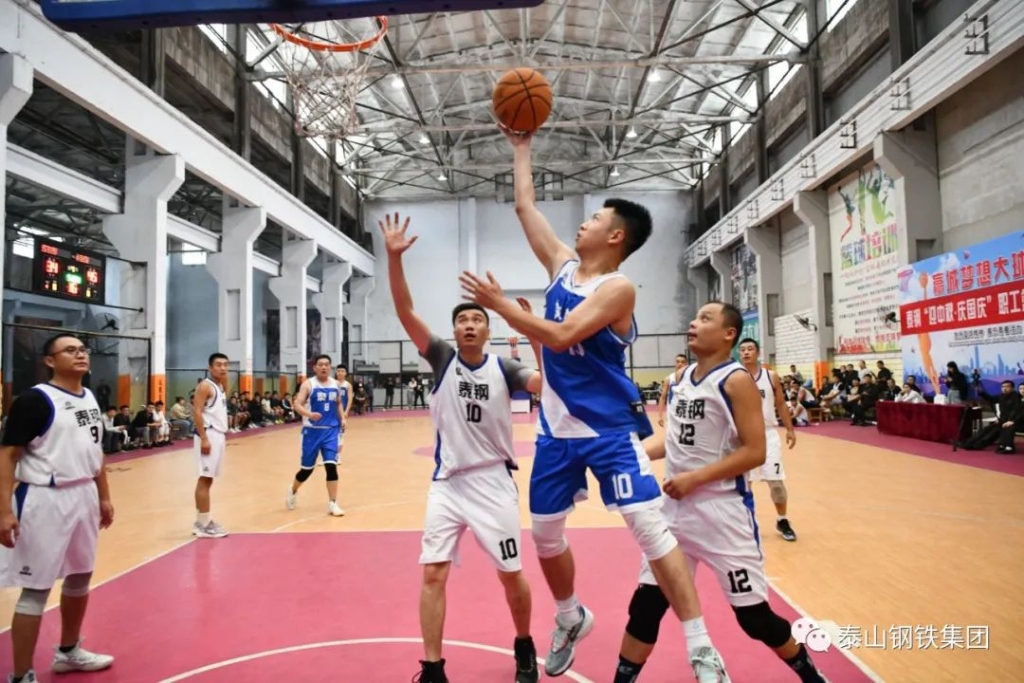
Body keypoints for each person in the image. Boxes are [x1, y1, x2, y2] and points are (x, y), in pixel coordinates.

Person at [458, 128, 729, 681]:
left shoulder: (617, 288)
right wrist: (521, 147)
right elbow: (525, 207)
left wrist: (503, 307)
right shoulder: (562, 266)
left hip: (608, 429)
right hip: (556, 433)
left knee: (651, 530)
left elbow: (561, 336)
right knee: (544, 536)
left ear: (616, 236)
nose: (582, 224)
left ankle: (701, 645)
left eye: (595, 219)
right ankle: (570, 616)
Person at [613, 303, 830, 683]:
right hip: (674, 513)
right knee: (646, 606)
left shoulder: (736, 381)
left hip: (722, 512)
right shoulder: (681, 378)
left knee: (755, 619)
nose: (693, 323)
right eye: (695, 317)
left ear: (729, 334)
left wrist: (695, 479)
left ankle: (812, 675)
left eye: (705, 319)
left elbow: (755, 451)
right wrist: (626, 458)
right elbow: (675, 441)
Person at [382, 212, 542, 683]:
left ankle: (524, 643)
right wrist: (394, 259)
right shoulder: (442, 359)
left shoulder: (505, 369)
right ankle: (433, 667)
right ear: (454, 331)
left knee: (510, 573)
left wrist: (534, 333)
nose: (469, 325)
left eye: (477, 319)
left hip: (493, 482)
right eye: (462, 320)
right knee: (432, 573)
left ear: (488, 331)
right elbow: (405, 311)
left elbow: (546, 385)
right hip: (448, 484)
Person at [1, 334, 115, 683]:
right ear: (49, 361)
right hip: (44, 498)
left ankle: (68, 651)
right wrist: (4, 510)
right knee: (36, 588)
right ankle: (22, 675)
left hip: (83, 494)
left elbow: (95, 451)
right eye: (70, 350)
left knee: (81, 575)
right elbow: (8, 455)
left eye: (82, 349)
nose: (80, 354)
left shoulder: (89, 396)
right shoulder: (35, 400)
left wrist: (104, 496)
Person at [736, 338, 799, 542]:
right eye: (742, 349)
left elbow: (780, 403)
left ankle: (782, 519)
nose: (746, 352)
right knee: (744, 484)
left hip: (768, 434)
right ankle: (745, 523)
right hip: (741, 436)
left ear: (757, 353)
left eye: (750, 349)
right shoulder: (733, 376)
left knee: (776, 483)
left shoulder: (770, 376)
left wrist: (790, 429)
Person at [286, 356, 347, 517]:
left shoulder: (335, 384)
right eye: (320, 365)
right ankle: (293, 490)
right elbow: (297, 404)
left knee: (331, 466)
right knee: (306, 470)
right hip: (311, 432)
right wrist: (309, 414)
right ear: (314, 368)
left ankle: (333, 503)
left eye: (327, 364)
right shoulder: (308, 384)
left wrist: (342, 418)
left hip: (331, 431)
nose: (324, 367)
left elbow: (338, 403)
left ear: (330, 367)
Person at [192, 352, 230, 539]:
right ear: (210, 367)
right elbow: (197, 411)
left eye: (225, 365)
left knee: (209, 479)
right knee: (204, 479)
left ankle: (203, 520)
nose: (223, 368)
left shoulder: (220, 385)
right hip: (209, 434)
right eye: (218, 365)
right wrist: (204, 438)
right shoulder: (205, 386)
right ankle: (203, 525)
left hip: (218, 434)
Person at [656, 354, 688, 427]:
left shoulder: (690, 379)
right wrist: (660, 416)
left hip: (686, 413)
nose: (680, 364)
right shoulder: (669, 379)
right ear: (675, 364)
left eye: (683, 362)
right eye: (678, 362)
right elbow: (663, 397)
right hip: (672, 415)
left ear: (686, 364)